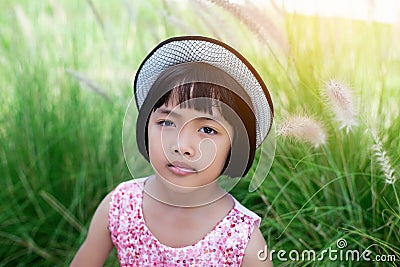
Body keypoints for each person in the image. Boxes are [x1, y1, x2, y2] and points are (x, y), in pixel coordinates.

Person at [70, 36, 274, 266]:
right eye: (167, 123)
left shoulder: (242, 240)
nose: (182, 146)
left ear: (235, 145)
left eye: (207, 129)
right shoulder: (120, 207)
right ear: (145, 125)